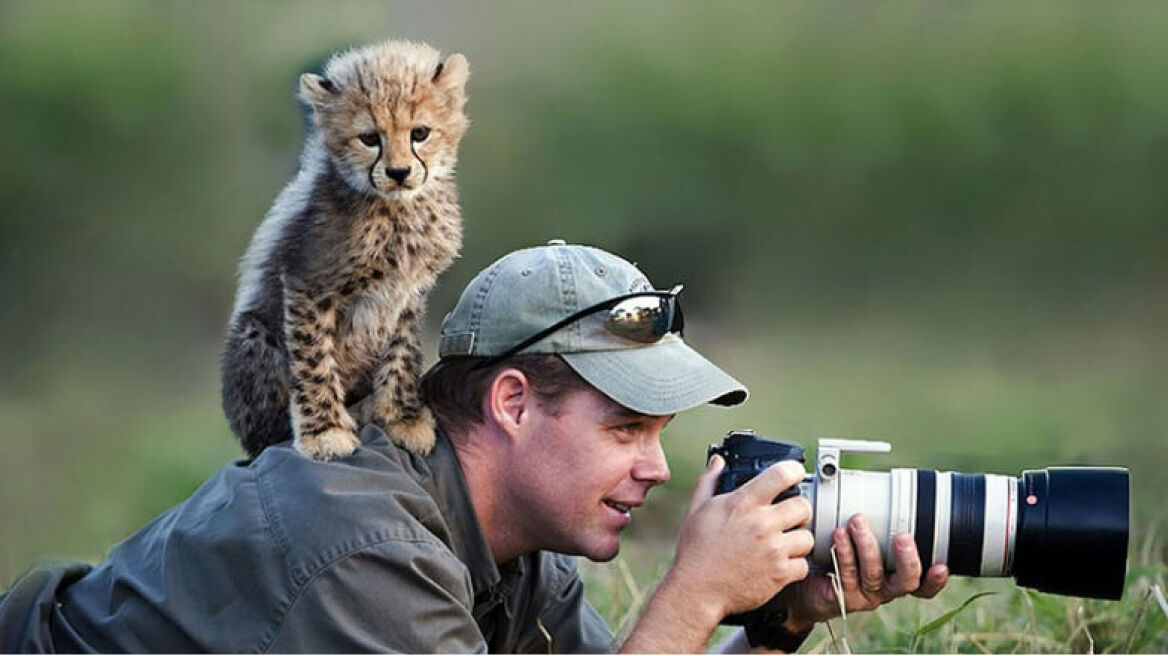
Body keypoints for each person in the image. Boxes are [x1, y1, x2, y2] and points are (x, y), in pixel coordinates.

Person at [0, 241, 947, 653]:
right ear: (512, 403)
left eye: (660, 434)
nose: (658, 468)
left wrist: (773, 623)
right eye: (625, 428)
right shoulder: (366, 545)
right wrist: (692, 593)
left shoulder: (511, 548)